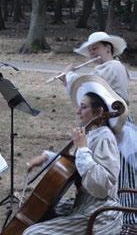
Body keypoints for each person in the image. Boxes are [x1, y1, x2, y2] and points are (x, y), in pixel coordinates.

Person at [23, 75, 127, 235]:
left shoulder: (105, 137)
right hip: (82, 205)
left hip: (99, 215)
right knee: (36, 210)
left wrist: (83, 149)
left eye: (83, 107)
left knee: (33, 233)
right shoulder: (92, 133)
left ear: (99, 111)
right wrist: (46, 158)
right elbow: (72, 165)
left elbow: (102, 187)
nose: (78, 111)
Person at [61, 31, 137, 226]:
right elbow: (86, 93)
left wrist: (69, 76)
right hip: (106, 124)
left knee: (122, 174)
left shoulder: (114, 66)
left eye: (96, 48)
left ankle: (125, 218)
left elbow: (92, 82)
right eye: (90, 50)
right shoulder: (104, 67)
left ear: (108, 48)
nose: (92, 53)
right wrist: (68, 81)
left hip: (119, 127)